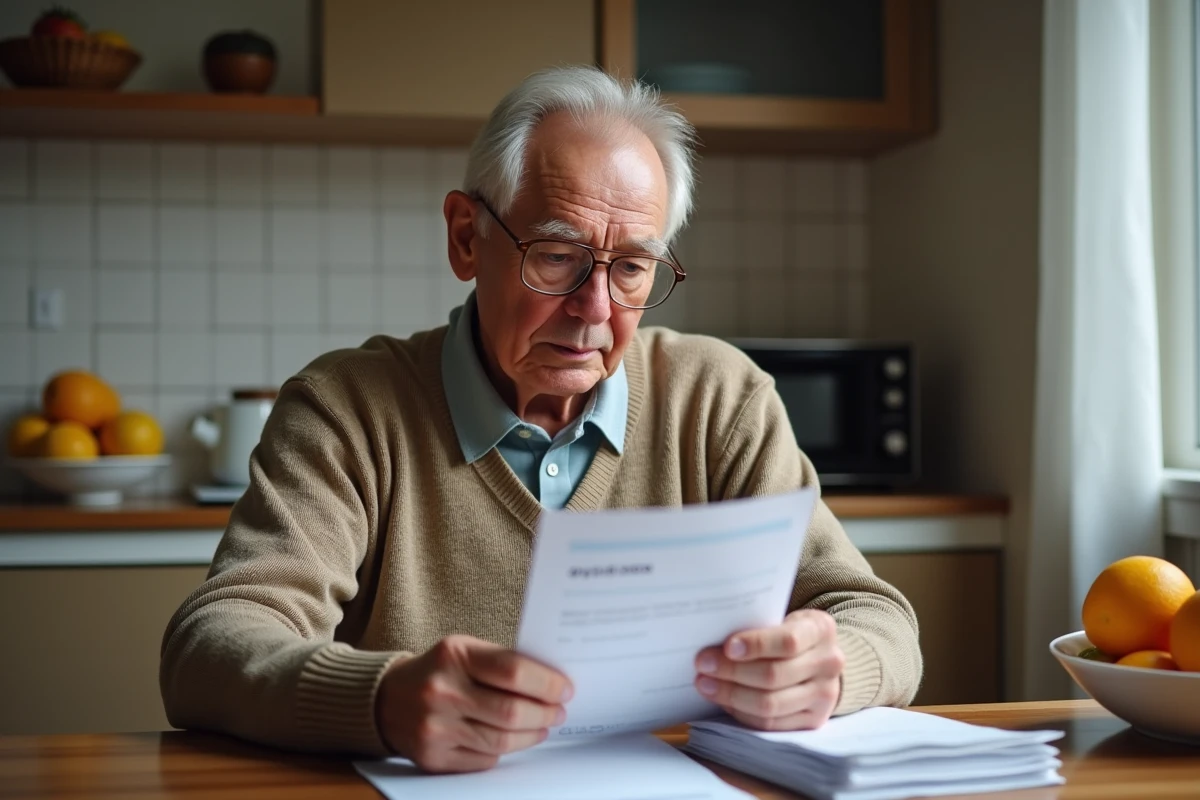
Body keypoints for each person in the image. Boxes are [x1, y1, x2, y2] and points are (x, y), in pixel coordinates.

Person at [160, 65, 922, 774]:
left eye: (631, 268)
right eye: (557, 256)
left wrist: (831, 667)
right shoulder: (347, 409)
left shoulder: (719, 397)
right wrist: (381, 698)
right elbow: (209, 649)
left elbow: (876, 618)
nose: (595, 311)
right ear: (467, 237)